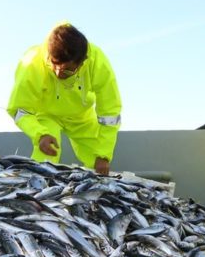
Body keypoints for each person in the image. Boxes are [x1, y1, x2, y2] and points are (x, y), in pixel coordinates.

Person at [7, 23, 122, 175]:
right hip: (47, 115)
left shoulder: (98, 62)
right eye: (54, 64)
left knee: (98, 163)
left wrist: (103, 154)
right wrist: (39, 134)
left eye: (67, 70)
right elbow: (19, 109)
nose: (59, 73)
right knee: (43, 164)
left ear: (83, 62)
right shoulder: (31, 63)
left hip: (81, 117)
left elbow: (110, 113)